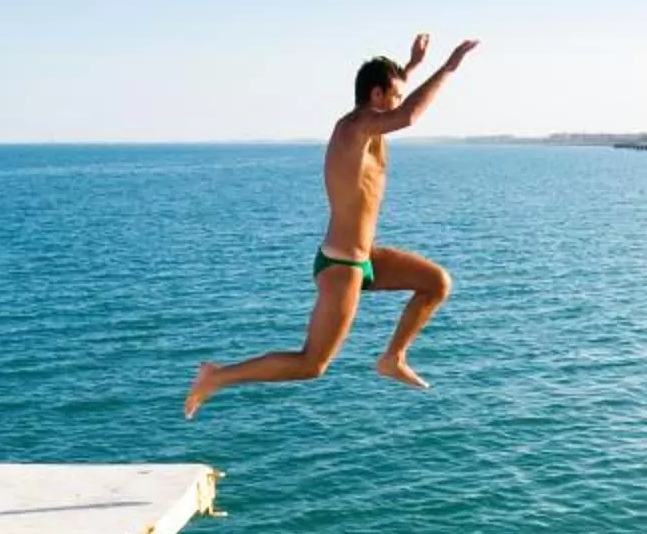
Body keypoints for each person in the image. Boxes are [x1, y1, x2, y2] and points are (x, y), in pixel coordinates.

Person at [183, 34, 479, 419]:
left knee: (436, 283)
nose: (397, 104)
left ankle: (393, 358)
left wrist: (411, 66)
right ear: (375, 95)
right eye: (393, 95)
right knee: (312, 364)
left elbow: (397, 101)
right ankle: (217, 376)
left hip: (365, 256)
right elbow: (407, 115)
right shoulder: (353, 128)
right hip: (341, 265)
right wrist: (449, 67)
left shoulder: (368, 124)